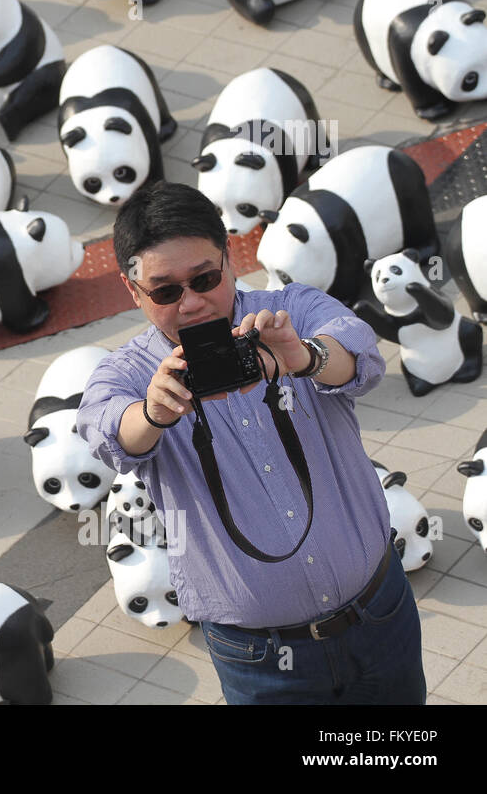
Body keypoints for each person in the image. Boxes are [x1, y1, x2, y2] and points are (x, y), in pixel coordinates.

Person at [76, 181, 425, 704]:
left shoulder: (290, 311)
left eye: (205, 278)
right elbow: (106, 433)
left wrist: (301, 357)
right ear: (134, 291)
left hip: (379, 614)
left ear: (229, 257)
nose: (191, 304)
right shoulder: (127, 373)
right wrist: (152, 412)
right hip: (259, 659)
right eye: (166, 291)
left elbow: (360, 354)